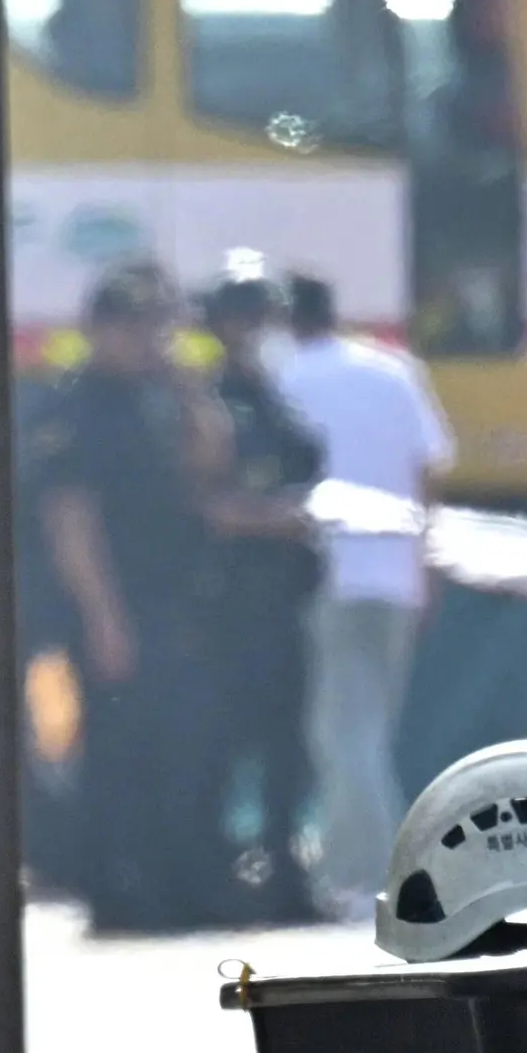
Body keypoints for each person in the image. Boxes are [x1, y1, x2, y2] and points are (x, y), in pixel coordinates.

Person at [25, 261, 228, 932]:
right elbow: (70, 521)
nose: (149, 339)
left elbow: (208, 464)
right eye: (135, 326)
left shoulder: (161, 396)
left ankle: (173, 886)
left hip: (175, 600)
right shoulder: (75, 404)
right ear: (101, 328)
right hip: (112, 605)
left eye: (158, 326)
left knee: (182, 747)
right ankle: (117, 891)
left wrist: (189, 389)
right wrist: (105, 619)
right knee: (119, 752)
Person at [268, 270, 453, 913]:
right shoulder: (393, 371)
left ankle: (369, 872)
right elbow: (427, 470)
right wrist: (425, 566)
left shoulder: (285, 378)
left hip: (330, 574)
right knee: (371, 728)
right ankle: (374, 863)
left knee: (339, 733)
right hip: (397, 573)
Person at [196, 259, 324, 921]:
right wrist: (277, 517)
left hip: (283, 597)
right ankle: (221, 874)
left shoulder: (278, 395)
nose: (254, 329)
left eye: (263, 315)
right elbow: (203, 502)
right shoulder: (210, 398)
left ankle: (283, 871)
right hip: (224, 601)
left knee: (285, 744)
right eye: (242, 315)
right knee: (224, 741)